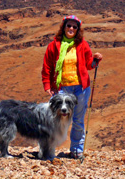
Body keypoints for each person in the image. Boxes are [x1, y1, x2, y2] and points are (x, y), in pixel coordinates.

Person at [42, 14, 103, 159]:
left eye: (74, 27)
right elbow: (47, 67)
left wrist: (95, 60)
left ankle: (76, 149)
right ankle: (49, 148)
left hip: (80, 88)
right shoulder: (54, 45)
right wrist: (47, 85)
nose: (71, 28)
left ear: (78, 30)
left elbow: (88, 65)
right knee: (56, 120)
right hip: (62, 88)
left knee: (78, 119)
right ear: (63, 27)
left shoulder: (82, 45)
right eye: (69, 25)